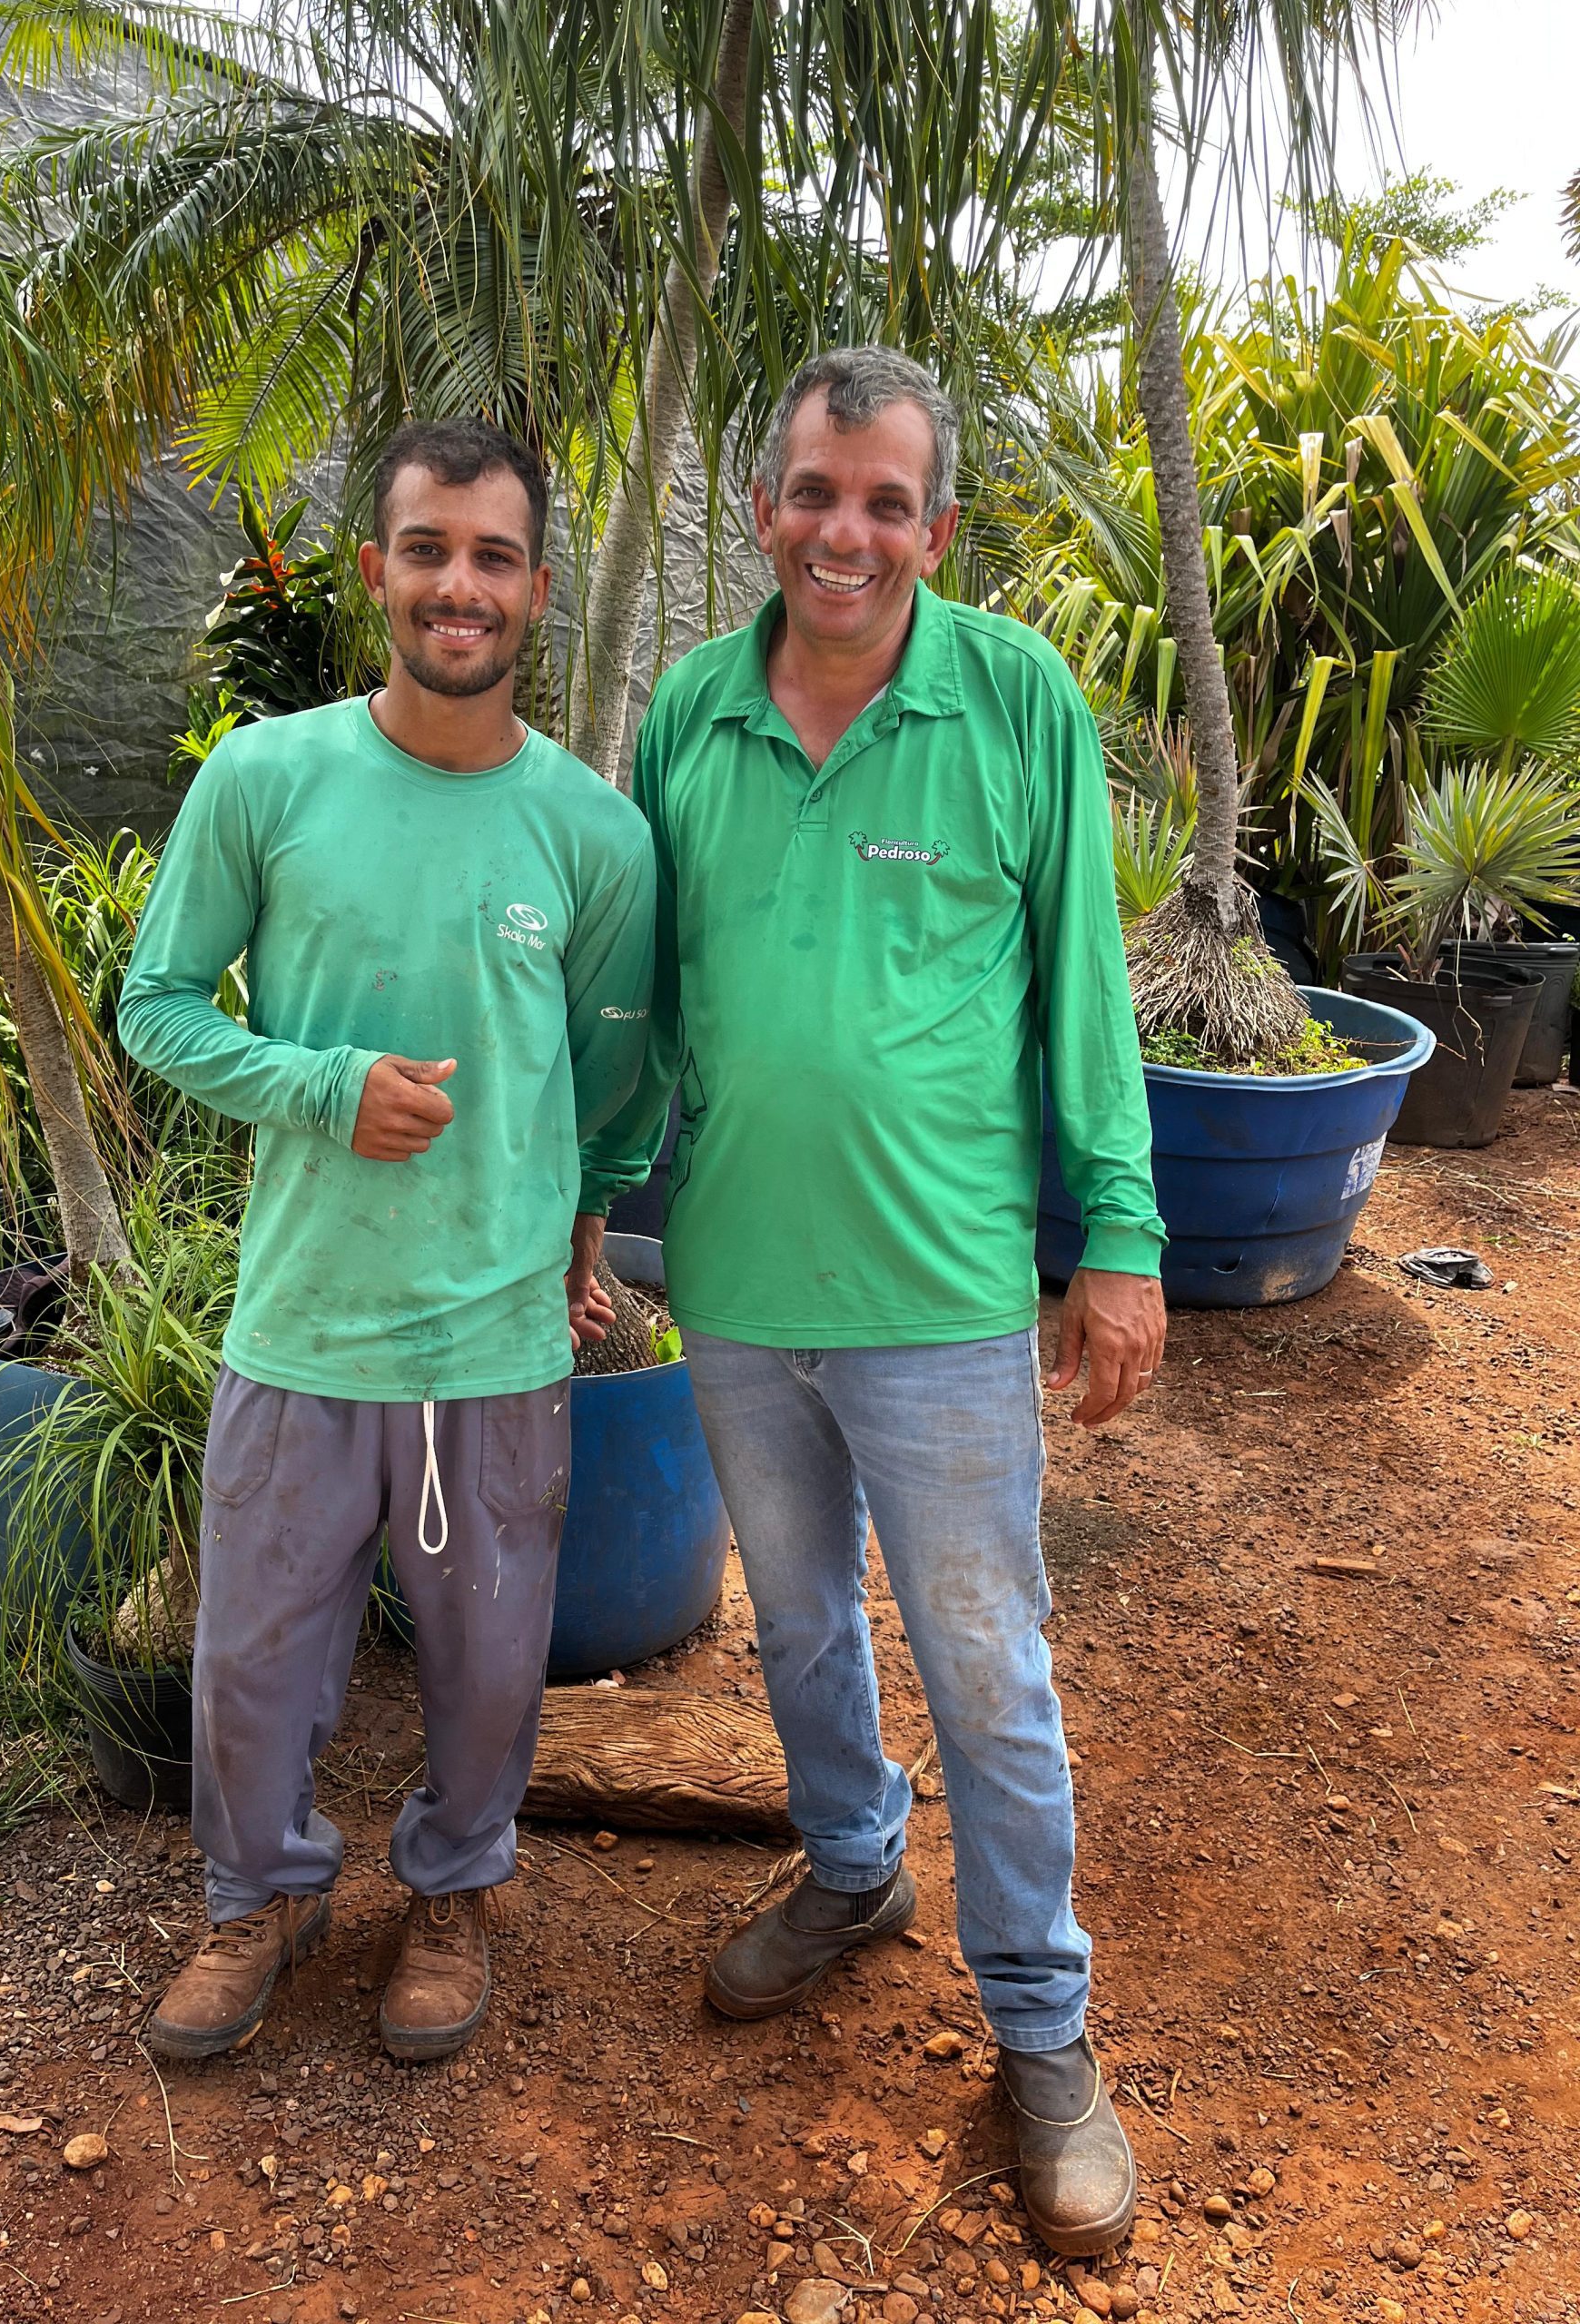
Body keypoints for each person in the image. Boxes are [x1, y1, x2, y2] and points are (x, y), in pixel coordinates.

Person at [577, 348, 1167, 2257]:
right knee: (803, 1625)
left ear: (937, 525)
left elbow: (1082, 982)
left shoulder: (1012, 699)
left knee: (988, 1669)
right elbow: (653, 999)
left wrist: (1126, 1234)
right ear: (766, 506)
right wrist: (593, 1194)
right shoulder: (685, 709)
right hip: (741, 1283)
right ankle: (849, 1865)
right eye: (817, 491)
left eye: (886, 500)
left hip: (940, 1291)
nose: (848, 530)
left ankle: (1045, 2028)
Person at [117, 419, 656, 2065]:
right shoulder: (266, 780)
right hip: (305, 1319)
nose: (458, 585)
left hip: (492, 1338)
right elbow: (152, 1011)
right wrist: (322, 1084)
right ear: (378, 571)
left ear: (538, 592)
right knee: (252, 1661)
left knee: (494, 1664)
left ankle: (453, 1889)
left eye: (493, 557)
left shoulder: (592, 836)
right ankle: (258, 1894)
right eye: (428, 549)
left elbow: (616, 1089)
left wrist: (577, 1244)